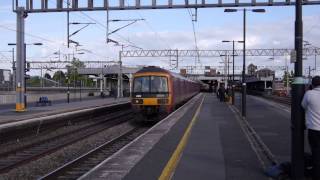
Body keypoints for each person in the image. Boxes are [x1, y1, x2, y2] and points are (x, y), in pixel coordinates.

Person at [301, 76, 320, 180]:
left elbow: (303, 105)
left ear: (312, 84)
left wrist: (309, 91)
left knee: (316, 153)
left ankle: (316, 176)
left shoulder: (309, 94)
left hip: (314, 130)